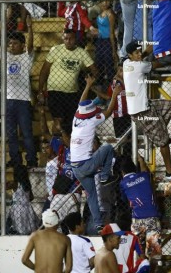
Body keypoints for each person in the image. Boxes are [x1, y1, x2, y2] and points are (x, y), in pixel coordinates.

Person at [123, 40, 171, 179]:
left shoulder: (127, 63)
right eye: (136, 53)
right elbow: (159, 63)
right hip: (142, 112)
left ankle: (157, 132)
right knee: (164, 141)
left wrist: (159, 41)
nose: (139, 55)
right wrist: (170, 55)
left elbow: (144, 54)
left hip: (147, 105)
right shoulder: (140, 66)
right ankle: (170, 172)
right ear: (130, 55)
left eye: (139, 52)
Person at [69, 75, 121, 231]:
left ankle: (98, 224)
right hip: (86, 164)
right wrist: (115, 94)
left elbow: (82, 104)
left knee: (91, 195)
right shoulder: (91, 122)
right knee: (107, 148)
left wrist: (88, 86)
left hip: (76, 168)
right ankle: (105, 175)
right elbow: (110, 110)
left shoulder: (76, 120)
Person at [0, 18, 37, 168]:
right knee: (11, 134)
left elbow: (31, 46)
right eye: (10, 43)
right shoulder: (6, 57)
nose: (11, 46)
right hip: (8, 100)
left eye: (15, 43)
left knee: (27, 134)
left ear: (22, 45)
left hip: (23, 101)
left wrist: (30, 28)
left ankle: (31, 160)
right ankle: (15, 159)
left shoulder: (26, 57)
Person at [38, 29, 98, 134]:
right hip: (55, 91)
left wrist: (89, 77)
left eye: (71, 38)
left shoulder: (81, 52)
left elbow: (95, 70)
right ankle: (56, 145)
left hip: (73, 93)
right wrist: (40, 90)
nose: (68, 41)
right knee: (58, 120)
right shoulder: (55, 50)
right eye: (66, 38)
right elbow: (44, 71)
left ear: (75, 39)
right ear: (63, 38)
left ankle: (67, 147)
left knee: (71, 122)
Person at [120, 156, 162, 265]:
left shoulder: (123, 183)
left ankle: (140, 268)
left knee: (139, 250)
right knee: (154, 253)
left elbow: (124, 199)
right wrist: (141, 161)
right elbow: (144, 170)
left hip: (137, 219)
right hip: (152, 217)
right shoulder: (144, 176)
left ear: (122, 172)